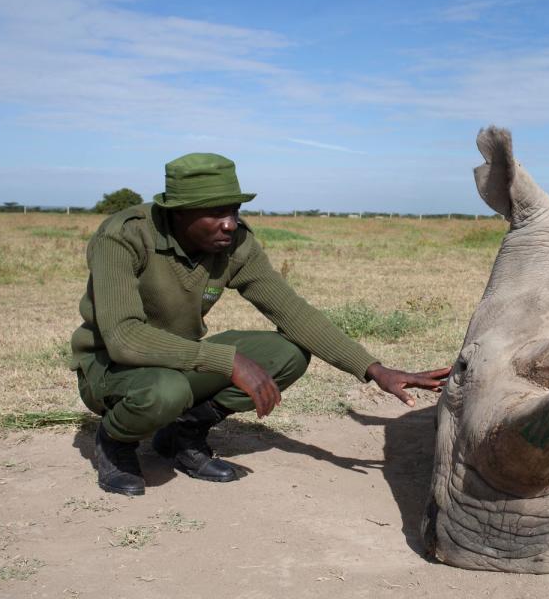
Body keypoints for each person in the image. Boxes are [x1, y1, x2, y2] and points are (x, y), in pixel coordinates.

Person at [70, 153, 450, 496]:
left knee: (287, 353)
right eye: (217, 214)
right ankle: (115, 440)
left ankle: (182, 434)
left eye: (234, 211)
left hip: (177, 361)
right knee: (165, 391)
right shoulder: (124, 236)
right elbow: (124, 338)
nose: (230, 224)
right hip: (112, 368)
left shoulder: (236, 245)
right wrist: (228, 361)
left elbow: (292, 312)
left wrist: (374, 369)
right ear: (178, 213)